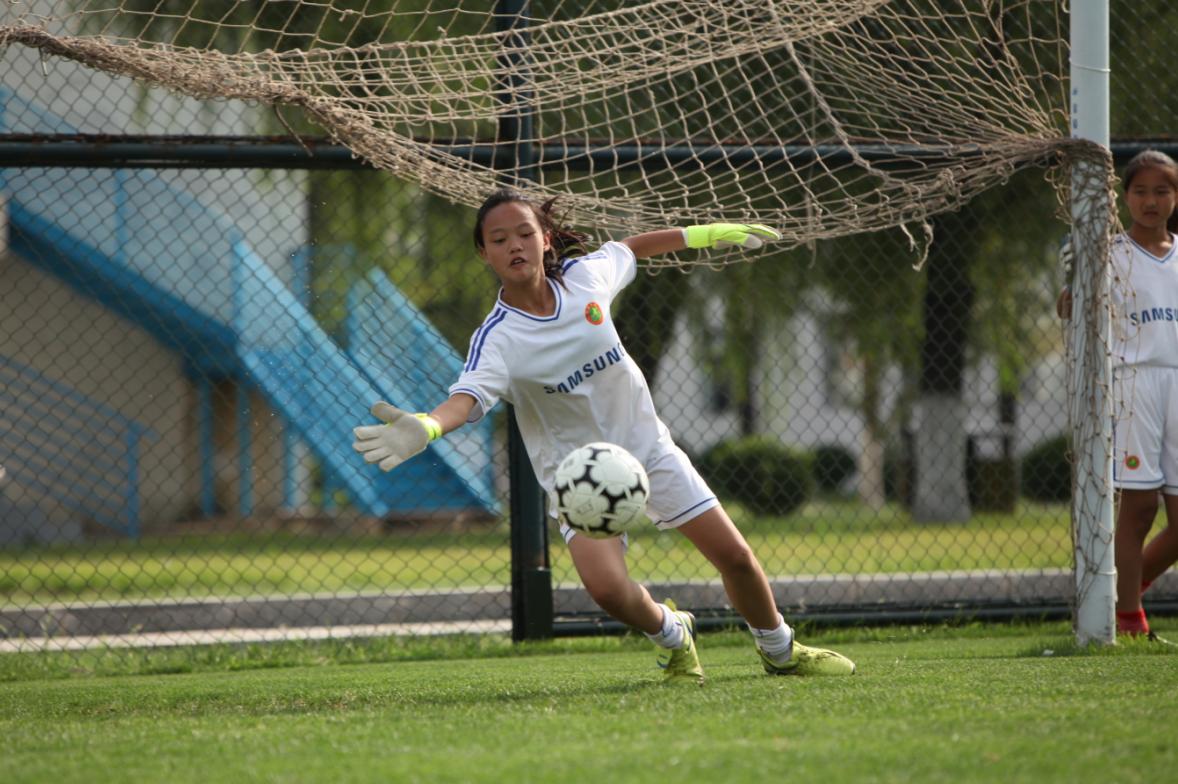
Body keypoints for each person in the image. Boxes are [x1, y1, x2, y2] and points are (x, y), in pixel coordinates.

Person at [352, 188, 856, 682]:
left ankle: (780, 649)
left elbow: (631, 248)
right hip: (579, 479)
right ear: (484, 253)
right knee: (609, 591)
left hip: (649, 450)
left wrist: (703, 234)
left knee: (737, 558)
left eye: (525, 233)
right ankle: (673, 634)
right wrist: (428, 425)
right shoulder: (497, 337)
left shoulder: (585, 278)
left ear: (546, 238)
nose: (515, 246)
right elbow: (467, 399)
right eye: (499, 239)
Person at [1057, 149, 1178, 637]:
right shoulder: (1110, 254)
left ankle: (1118, 594)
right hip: (1135, 383)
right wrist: (1069, 299)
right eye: (1141, 190)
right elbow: (1074, 310)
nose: (1151, 200)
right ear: (1125, 196)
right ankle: (1128, 618)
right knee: (1141, 507)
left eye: (1163, 190)